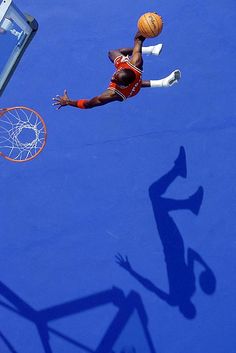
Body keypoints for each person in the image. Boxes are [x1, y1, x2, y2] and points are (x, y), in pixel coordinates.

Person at [52, 31, 181, 110]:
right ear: (123, 68)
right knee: (112, 53)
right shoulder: (135, 62)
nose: (112, 77)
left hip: (131, 92)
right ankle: (151, 53)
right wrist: (147, 26)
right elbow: (138, 38)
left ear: (122, 85)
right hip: (134, 81)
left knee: (136, 84)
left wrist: (68, 102)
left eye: (115, 79)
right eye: (116, 74)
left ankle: (163, 83)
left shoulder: (113, 94)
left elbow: (89, 104)